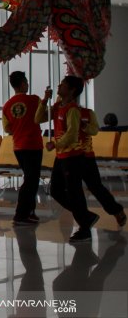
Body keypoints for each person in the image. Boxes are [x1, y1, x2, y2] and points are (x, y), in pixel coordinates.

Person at [37, 76, 97, 243]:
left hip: (72, 157)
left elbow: (72, 134)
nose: (59, 86)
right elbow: (38, 119)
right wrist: (44, 101)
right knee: (56, 190)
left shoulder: (73, 110)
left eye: (63, 85)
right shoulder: (57, 107)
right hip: (61, 156)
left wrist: (55, 144)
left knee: (74, 192)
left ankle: (84, 228)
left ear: (71, 90)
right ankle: (86, 216)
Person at [2, 71, 50, 226]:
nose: (28, 84)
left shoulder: (7, 105)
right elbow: (42, 117)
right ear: (22, 83)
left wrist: (19, 125)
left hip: (18, 146)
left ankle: (30, 212)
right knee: (31, 180)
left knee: (31, 178)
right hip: (33, 144)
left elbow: (7, 129)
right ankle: (21, 215)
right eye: (27, 82)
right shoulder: (34, 100)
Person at [79, 107, 127, 227]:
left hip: (81, 154)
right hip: (73, 154)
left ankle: (87, 219)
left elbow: (92, 131)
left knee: (90, 187)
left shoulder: (85, 114)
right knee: (92, 186)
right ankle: (88, 217)